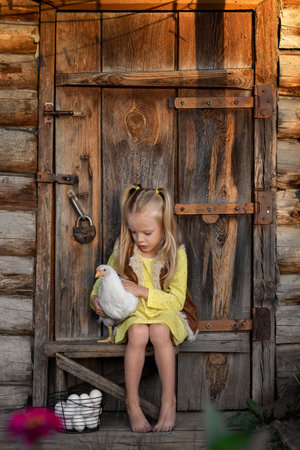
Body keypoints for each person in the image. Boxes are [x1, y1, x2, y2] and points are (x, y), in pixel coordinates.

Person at [89, 185, 198, 433]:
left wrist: (142, 291)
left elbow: (176, 301)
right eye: (134, 231)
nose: (140, 239)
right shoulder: (125, 249)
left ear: (165, 227)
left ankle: (169, 402)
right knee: (138, 332)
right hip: (135, 313)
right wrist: (95, 299)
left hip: (166, 313)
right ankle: (132, 403)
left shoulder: (175, 255)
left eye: (147, 232)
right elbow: (102, 281)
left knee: (159, 331)